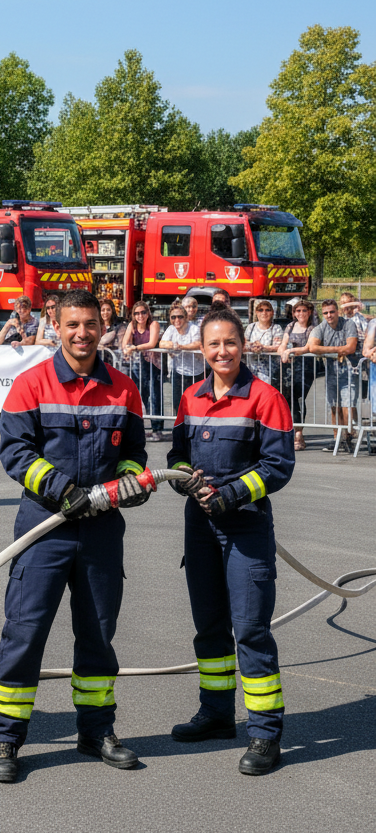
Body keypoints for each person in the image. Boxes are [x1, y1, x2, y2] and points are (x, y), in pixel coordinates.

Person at [0, 289, 151, 784]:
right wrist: (64, 491)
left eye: (91, 325)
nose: (82, 334)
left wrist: (128, 482)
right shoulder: (31, 385)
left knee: (98, 634)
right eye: (72, 324)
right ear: (55, 325)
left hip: (101, 530)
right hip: (44, 528)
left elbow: (135, 454)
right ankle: (6, 738)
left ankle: (96, 731)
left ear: (103, 327)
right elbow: (16, 453)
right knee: (25, 631)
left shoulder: (124, 388)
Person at [167, 308, 294, 775]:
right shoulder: (191, 397)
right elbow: (178, 453)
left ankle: (264, 733)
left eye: (230, 343)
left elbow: (278, 467)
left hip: (245, 529)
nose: (222, 351)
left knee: (252, 631)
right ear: (201, 350)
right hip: (200, 528)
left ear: (244, 346)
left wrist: (233, 495)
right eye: (213, 344)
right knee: (210, 628)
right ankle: (217, 714)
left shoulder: (265, 397)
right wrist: (184, 478)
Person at [308, 299, 360, 451]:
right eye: (325, 313)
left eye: (331, 312)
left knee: (347, 405)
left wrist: (325, 350)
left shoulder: (348, 324)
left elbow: (350, 347)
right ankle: (337, 438)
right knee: (334, 407)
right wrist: (337, 350)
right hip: (331, 373)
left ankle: (348, 436)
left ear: (337, 311)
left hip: (350, 371)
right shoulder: (321, 327)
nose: (329, 315)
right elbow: (312, 347)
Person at [278, 299, 317, 451]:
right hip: (289, 368)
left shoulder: (313, 328)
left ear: (309, 312)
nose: (301, 314)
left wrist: (291, 351)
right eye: (298, 311)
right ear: (294, 313)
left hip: (306, 368)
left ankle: (299, 433)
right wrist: (282, 350)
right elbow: (284, 342)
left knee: (299, 398)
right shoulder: (290, 326)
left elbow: (309, 347)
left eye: (304, 311)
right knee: (288, 398)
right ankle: (292, 431)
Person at [121, 301, 163, 441]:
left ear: (148, 313)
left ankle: (157, 429)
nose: (140, 316)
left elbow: (151, 343)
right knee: (141, 398)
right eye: (137, 313)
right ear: (133, 315)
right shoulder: (131, 325)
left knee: (155, 396)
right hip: (137, 365)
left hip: (152, 365)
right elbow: (124, 342)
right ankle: (141, 428)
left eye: (143, 312)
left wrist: (134, 348)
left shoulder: (153, 325)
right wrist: (127, 348)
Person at [159, 304, 205, 417]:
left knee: (195, 403)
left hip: (195, 371)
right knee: (177, 403)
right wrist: (172, 344)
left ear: (186, 317)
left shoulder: (193, 328)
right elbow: (161, 343)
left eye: (180, 317)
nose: (177, 320)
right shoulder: (171, 329)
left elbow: (198, 343)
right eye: (173, 317)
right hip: (178, 370)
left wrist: (181, 347)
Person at [244, 300, 282, 387]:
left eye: (267, 310)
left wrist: (262, 347)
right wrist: (252, 346)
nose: (264, 313)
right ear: (256, 313)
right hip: (250, 369)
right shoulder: (251, 327)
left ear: (272, 312)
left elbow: (277, 346)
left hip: (268, 371)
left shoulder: (276, 328)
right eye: (260, 310)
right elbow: (243, 343)